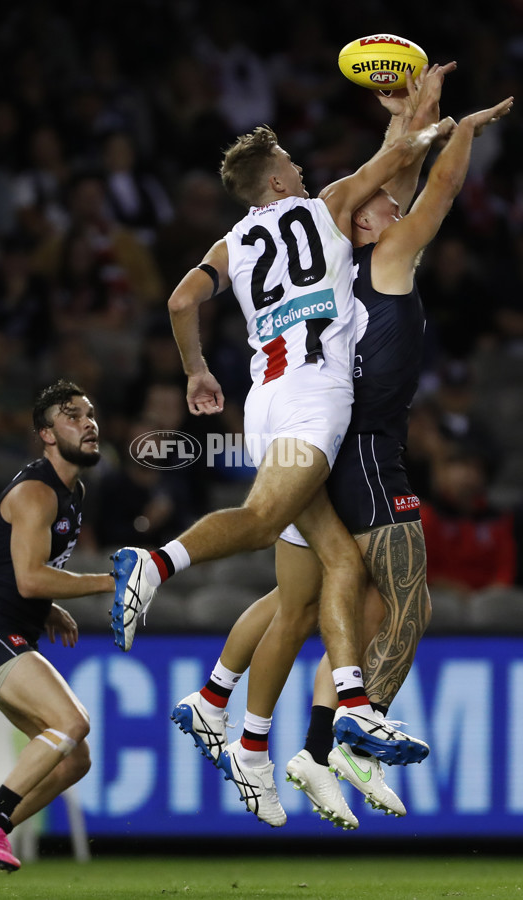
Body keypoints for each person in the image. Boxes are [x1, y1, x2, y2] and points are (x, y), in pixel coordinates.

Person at [170, 88, 514, 828]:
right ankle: (349, 730)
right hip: (355, 448)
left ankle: (240, 713)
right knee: (404, 597)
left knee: (299, 602)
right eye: (384, 206)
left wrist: (411, 113)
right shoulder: (385, 252)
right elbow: (434, 186)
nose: (397, 206)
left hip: (324, 432)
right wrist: (462, 130)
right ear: (363, 223)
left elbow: (389, 176)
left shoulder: (339, 263)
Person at [110, 114, 454, 825]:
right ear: (276, 179)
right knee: (270, 526)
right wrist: (426, 124)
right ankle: (156, 564)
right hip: (313, 400)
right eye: (291, 163)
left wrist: (198, 371)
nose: (299, 169)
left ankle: (244, 728)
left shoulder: (231, 241)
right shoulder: (325, 207)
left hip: (263, 398)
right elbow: (393, 166)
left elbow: (180, 301)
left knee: (320, 578)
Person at [0, 380, 116, 888]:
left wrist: (48, 609)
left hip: (7, 629)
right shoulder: (36, 492)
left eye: (90, 414)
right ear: (45, 434)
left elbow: (17, 572)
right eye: (71, 416)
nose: (88, 423)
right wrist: (111, 581)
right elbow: (28, 578)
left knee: (75, 758)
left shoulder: (72, 491)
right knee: (72, 722)